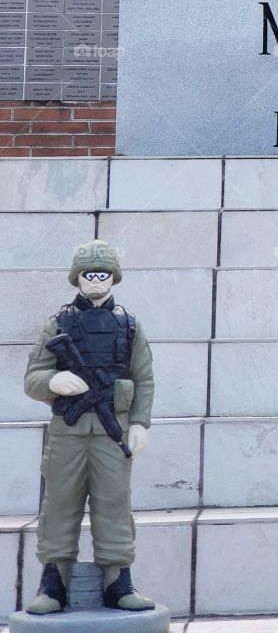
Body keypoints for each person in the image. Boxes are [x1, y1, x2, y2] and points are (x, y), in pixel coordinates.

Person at [22, 241, 155, 614]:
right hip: (69, 428)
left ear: (113, 277)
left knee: (114, 502)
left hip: (113, 431)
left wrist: (140, 423)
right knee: (61, 502)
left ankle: (118, 579)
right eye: (88, 274)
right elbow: (32, 377)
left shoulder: (128, 324)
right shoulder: (59, 324)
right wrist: (54, 380)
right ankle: (54, 581)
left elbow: (144, 379)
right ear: (76, 278)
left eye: (102, 274)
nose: (95, 281)